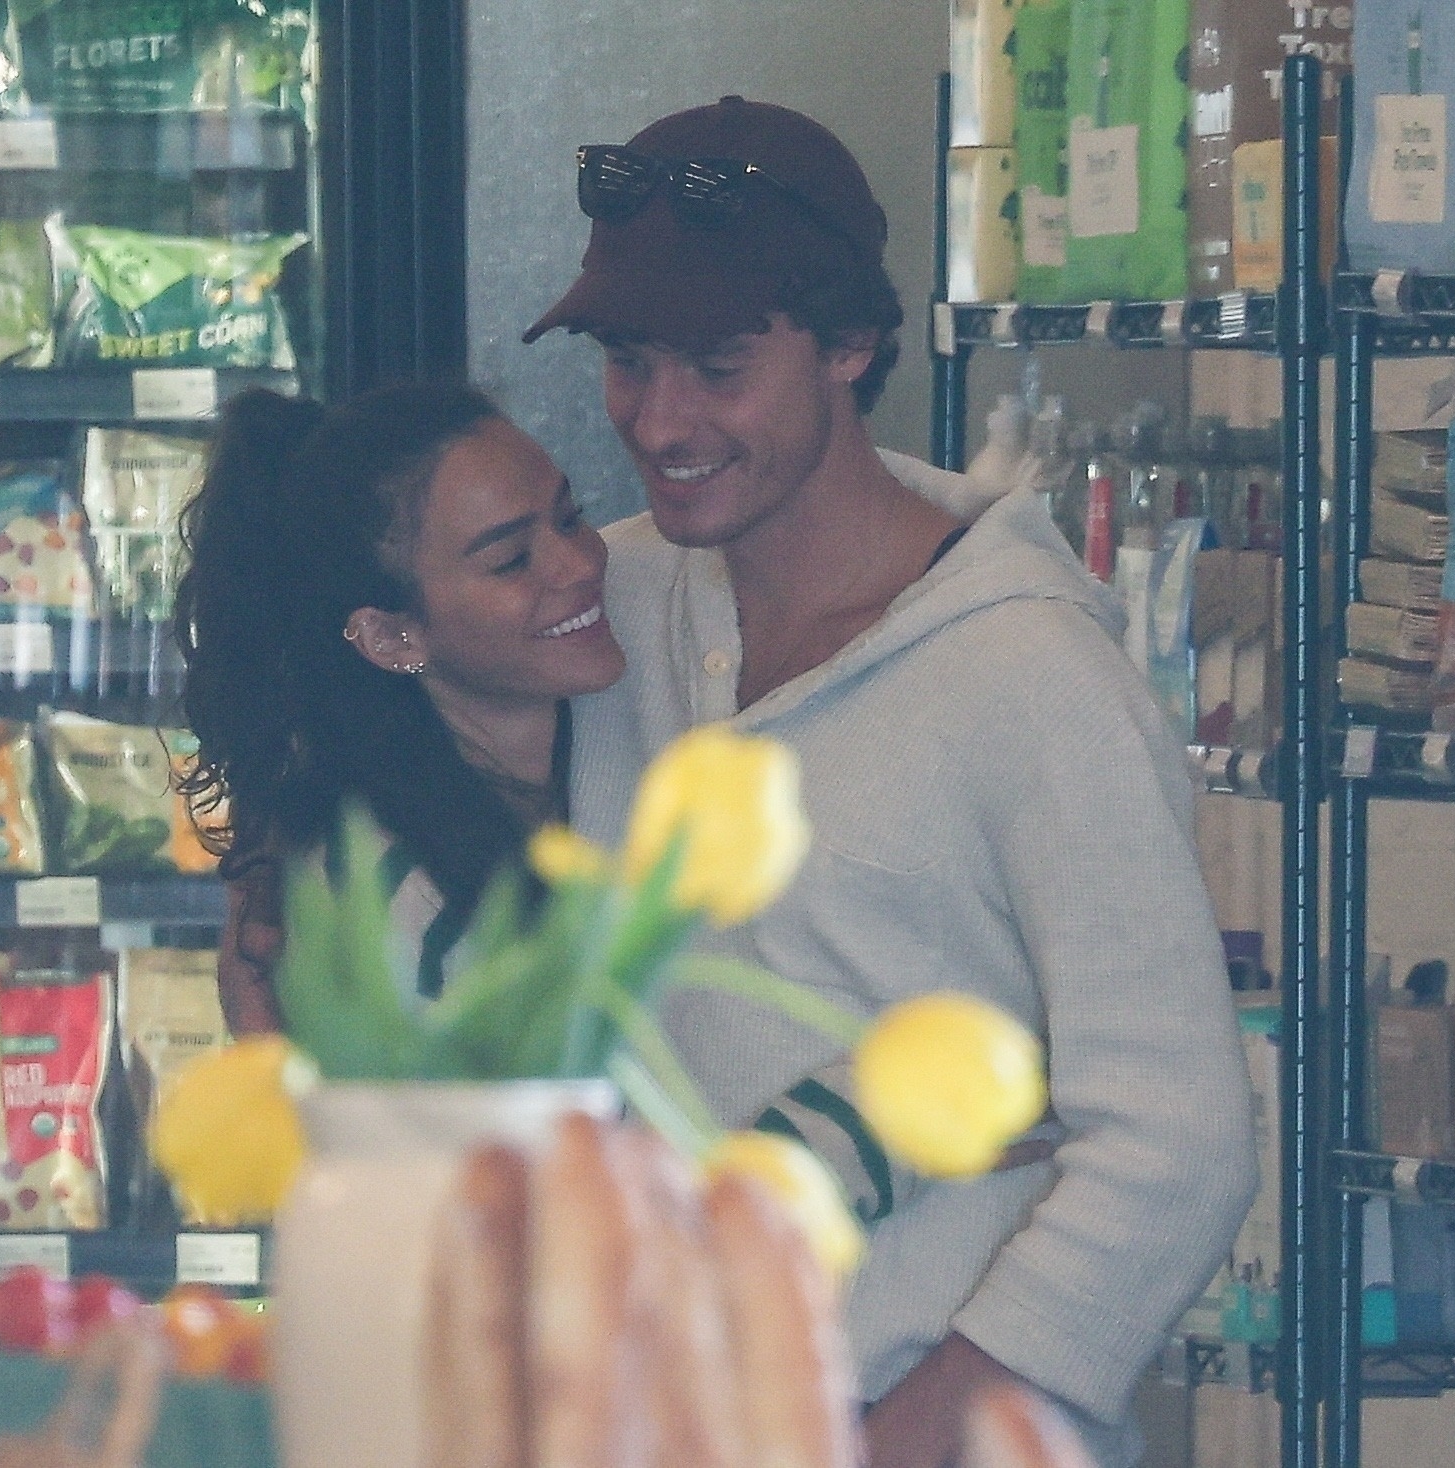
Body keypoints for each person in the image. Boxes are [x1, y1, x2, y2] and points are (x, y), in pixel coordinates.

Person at [525, 96, 1259, 1468]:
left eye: (716, 364)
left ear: (851, 347)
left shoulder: (1030, 679)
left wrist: (917, 1427)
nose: (659, 417)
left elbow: (1176, 1142)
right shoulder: (600, 613)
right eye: (629, 362)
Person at [175, 383, 624, 1029]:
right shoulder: (401, 906)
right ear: (390, 637)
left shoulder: (575, 735)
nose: (578, 563)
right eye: (510, 561)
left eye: (571, 516)